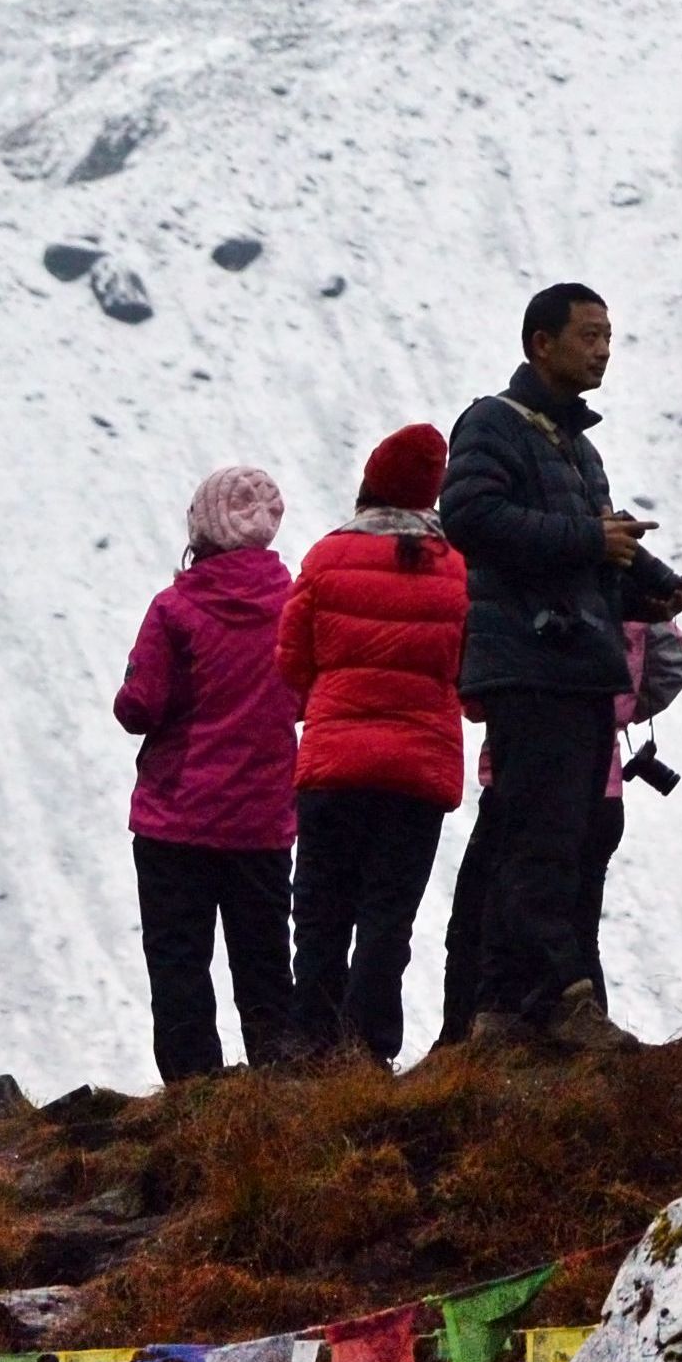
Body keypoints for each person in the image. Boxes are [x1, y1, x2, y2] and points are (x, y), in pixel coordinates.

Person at [437, 281, 673, 1050]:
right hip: (528, 664)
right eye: (588, 335)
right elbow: (470, 517)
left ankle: (501, 1011)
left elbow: (579, 553)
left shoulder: (577, 447)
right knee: (542, 838)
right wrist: (592, 541)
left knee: (551, 835)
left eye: (609, 336)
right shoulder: (494, 423)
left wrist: (644, 587)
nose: (603, 350)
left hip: (577, 664)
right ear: (542, 343)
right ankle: (563, 1002)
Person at [278, 423, 471, 1059]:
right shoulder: (456, 569)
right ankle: (368, 1048)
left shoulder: (326, 557)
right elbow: (467, 666)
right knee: (389, 916)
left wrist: (332, 699)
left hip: (335, 765)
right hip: (417, 771)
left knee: (320, 911)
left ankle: (311, 1041)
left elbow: (292, 660)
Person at [113, 465, 303, 1083]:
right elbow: (305, 695)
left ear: (202, 530)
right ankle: (280, 1089)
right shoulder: (295, 605)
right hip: (262, 821)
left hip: (177, 819)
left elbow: (139, 709)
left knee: (179, 964)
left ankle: (195, 1094)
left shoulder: (175, 608)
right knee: (265, 964)